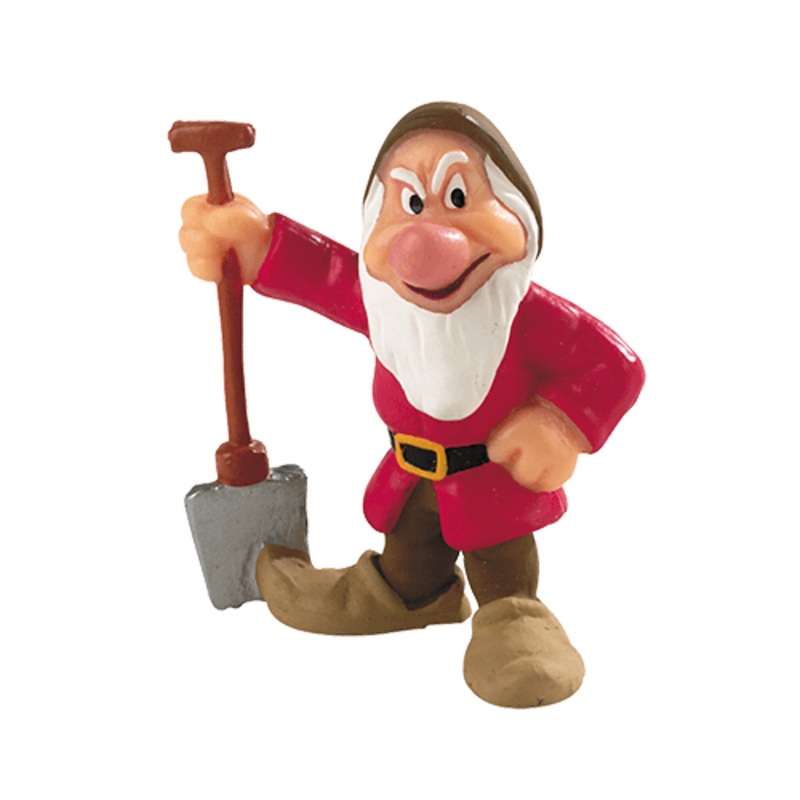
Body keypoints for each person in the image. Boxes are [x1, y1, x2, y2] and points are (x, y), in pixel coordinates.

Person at [179, 102, 645, 707]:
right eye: (410, 203)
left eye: (459, 198)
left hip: (492, 484)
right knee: (410, 550)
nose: (427, 242)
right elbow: (325, 272)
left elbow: (615, 366)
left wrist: (560, 423)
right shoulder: (386, 302)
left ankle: (513, 616)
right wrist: (254, 244)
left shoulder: (527, 316)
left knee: (501, 561)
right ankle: (406, 595)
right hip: (408, 474)